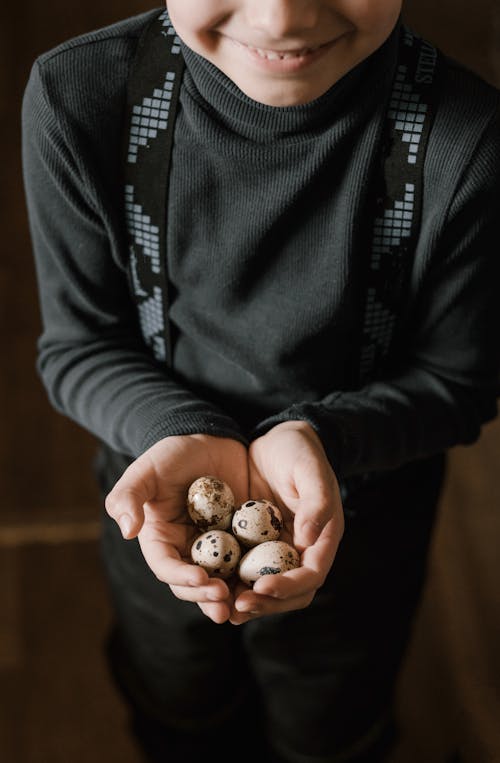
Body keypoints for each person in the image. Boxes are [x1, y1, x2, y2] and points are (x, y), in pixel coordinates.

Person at [21, 1, 500, 761]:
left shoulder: (465, 140)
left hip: (364, 530)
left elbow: (460, 380)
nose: (280, 18)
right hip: (156, 510)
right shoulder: (79, 97)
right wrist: (177, 427)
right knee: (179, 707)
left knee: (334, 727)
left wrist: (325, 437)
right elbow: (78, 347)